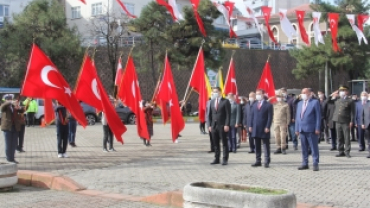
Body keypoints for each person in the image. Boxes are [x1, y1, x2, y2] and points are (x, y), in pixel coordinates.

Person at [295, 88, 321, 171]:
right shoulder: (299, 103)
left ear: (309, 93)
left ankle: (315, 163)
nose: (302, 94)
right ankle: (304, 163)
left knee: (313, 147)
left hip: (311, 129)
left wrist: (317, 128)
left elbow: (318, 116)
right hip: (301, 129)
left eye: (304, 93)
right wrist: (297, 128)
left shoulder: (315, 102)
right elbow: (297, 117)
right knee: (304, 148)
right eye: (302, 93)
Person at [249, 89, 273, 168]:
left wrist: (267, 126)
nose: (257, 95)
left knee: (265, 145)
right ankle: (258, 160)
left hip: (264, 128)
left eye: (259, 94)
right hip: (256, 128)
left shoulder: (268, 105)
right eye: (257, 94)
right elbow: (252, 116)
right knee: (257, 145)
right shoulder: (254, 104)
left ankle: (267, 161)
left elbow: (270, 117)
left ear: (263, 94)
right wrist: (250, 126)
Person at [208, 87, 231, 165]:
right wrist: (209, 125)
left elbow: (228, 114)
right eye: (213, 92)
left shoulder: (225, 101)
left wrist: (226, 124)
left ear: (220, 92)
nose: (214, 93)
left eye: (216, 92)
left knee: (224, 143)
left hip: (222, 125)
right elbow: (209, 115)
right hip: (214, 126)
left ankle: (225, 159)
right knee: (215, 143)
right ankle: (217, 158)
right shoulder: (211, 102)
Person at [332, 86, 355, 158]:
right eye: (341, 90)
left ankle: (347, 151)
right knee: (339, 137)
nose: (342, 92)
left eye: (343, 90)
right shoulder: (337, 100)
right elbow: (328, 101)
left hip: (346, 121)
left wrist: (351, 121)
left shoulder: (350, 101)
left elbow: (353, 112)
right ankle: (340, 151)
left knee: (347, 137)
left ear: (347, 92)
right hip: (337, 120)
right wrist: (333, 94)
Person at [1, 95, 24, 163]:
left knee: (14, 144)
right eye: (8, 99)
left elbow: (22, 110)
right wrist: (10, 102)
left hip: (15, 127)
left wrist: (20, 107)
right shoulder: (5, 106)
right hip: (7, 127)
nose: (10, 100)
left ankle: (12, 158)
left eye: (11, 98)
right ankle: (9, 158)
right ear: (5, 100)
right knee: (8, 144)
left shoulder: (14, 106)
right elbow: (2, 108)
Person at [360, 93, 370, 158]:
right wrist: (362, 123)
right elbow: (362, 115)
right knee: (369, 140)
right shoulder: (365, 105)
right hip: (367, 124)